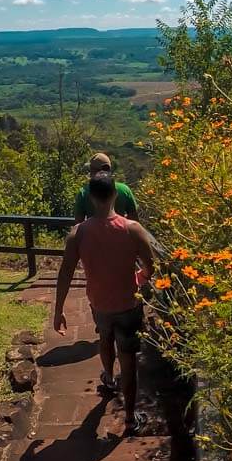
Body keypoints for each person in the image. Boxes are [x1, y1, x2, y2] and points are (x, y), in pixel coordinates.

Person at [54, 172, 155, 435]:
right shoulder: (133, 229)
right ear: (114, 195)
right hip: (128, 304)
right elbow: (151, 265)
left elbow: (65, 272)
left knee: (104, 339)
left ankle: (108, 379)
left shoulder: (78, 233)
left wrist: (58, 310)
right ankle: (131, 419)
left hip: (99, 303)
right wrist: (140, 278)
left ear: (90, 197)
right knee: (129, 358)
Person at [73, 152, 139, 223]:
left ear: (92, 170)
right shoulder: (124, 190)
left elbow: (78, 222)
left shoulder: (84, 192)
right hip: (119, 232)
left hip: (93, 233)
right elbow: (134, 218)